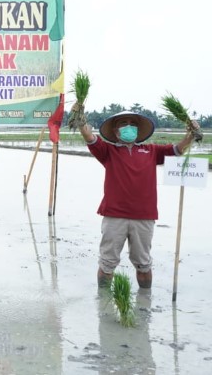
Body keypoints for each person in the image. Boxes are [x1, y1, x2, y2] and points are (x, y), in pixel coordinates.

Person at [79, 111, 197, 289]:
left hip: (144, 217)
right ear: (116, 132)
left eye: (132, 123)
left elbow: (177, 150)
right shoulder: (108, 151)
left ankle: (144, 303)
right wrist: (80, 121)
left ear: (138, 130)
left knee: (143, 264)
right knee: (107, 263)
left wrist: (191, 135)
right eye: (123, 123)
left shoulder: (151, 151)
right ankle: (103, 302)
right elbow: (89, 137)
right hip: (114, 216)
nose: (128, 126)